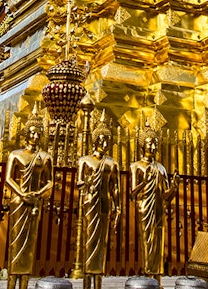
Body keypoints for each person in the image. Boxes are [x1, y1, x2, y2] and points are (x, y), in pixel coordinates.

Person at [6, 107, 54, 289]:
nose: (35, 136)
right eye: (32, 133)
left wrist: (38, 194)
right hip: (19, 202)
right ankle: (11, 282)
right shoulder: (16, 154)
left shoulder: (45, 157)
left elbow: (49, 181)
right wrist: (22, 194)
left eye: (38, 133)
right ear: (26, 133)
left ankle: (25, 282)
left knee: (29, 246)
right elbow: (9, 178)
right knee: (16, 243)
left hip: (35, 202)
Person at [130, 125, 179, 282]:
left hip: (158, 208)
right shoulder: (136, 166)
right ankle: (147, 275)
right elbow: (132, 194)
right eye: (149, 143)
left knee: (158, 242)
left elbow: (165, 196)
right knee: (146, 241)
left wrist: (174, 187)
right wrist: (143, 183)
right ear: (142, 145)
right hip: (144, 208)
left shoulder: (161, 168)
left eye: (155, 143)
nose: (152, 147)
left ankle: (157, 277)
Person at [77, 112, 119, 289]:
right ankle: (87, 280)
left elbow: (115, 188)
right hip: (89, 202)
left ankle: (98, 281)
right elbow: (79, 182)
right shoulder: (85, 160)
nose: (104, 143)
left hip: (104, 203)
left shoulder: (112, 163)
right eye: (101, 139)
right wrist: (86, 183)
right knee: (88, 239)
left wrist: (118, 208)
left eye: (106, 140)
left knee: (102, 242)